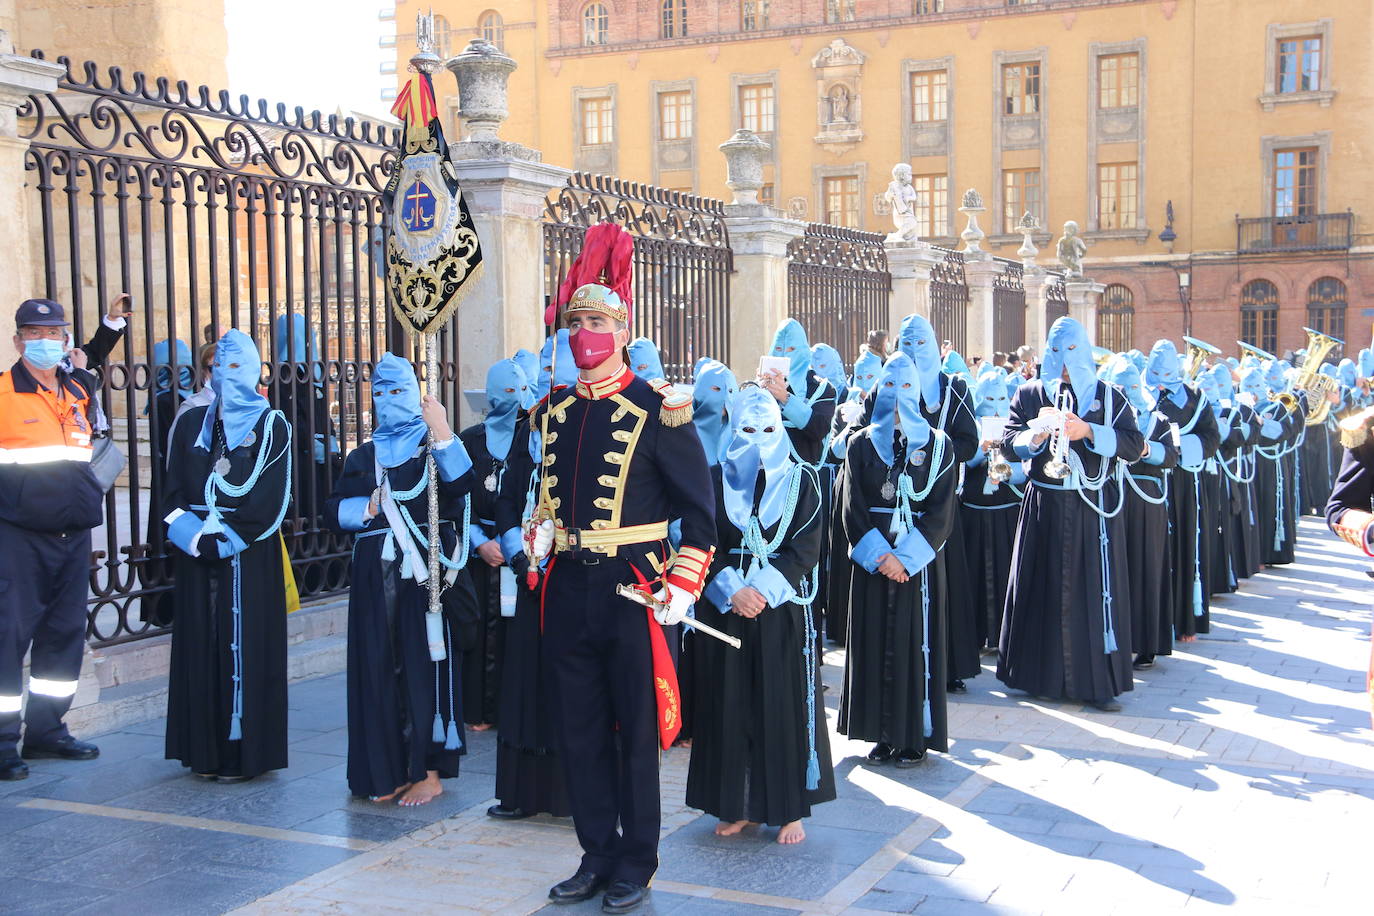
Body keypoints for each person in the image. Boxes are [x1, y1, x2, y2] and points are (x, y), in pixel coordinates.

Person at [527, 260, 716, 913]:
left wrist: (684, 584)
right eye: (576, 322)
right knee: (578, 730)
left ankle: (636, 858)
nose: (586, 333)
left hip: (634, 587)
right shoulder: (552, 412)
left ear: (623, 327)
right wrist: (540, 534)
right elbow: (547, 501)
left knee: (635, 731)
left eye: (598, 321)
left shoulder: (659, 408)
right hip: (569, 588)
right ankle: (594, 853)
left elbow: (702, 517)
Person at [326, 354, 477, 805]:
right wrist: (366, 508)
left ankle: (429, 772)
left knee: (422, 666)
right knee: (376, 669)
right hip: (375, 578)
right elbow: (333, 510)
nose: (388, 400)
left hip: (423, 576)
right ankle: (385, 768)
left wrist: (444, 429)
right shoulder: (363, 455)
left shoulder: (434, 446)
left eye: (398, 390)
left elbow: (463, 486)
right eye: (380, 392)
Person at [687, 384, 835, 844]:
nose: (757, 438)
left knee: (780, 703)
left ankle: (789, 808)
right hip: (727, 610)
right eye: (747, 428)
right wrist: (732, 591)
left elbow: (806, 547)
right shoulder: (713, 480)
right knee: (729, 705)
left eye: (768, 428)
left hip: (781, 608)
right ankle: (738, 805)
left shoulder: (802, 479)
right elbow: (700, 539)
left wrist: (763, 591)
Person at [163, 330, 292, 782]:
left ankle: (243, 754)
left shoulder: (273, 427)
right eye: (219, 368)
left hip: (248, 558)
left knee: (245, 651)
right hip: (198, 554)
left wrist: (229, 538)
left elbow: (271, 499)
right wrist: (194, 538)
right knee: (202, 647)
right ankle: (204, 751)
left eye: (236, 368)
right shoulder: (192, 425)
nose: (226, 377)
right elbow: (173, 492)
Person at [998, 317, 1142, 712]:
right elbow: (1010, 444)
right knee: (1038, 586)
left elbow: (1133, 445)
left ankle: (1097, 683)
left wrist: (1089, 433)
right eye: (1057, 353)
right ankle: (1034, 676)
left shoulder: (1110, 397)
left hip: (1091, 509)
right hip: (1043, 505)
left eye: (1072, 353)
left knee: (1094, 592)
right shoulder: (1029, 393)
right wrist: (1035, 435)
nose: (1063, 364)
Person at [0, 299, 112, 781]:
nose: (44, 340)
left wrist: (109, 330)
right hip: (18, 536)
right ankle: (4, 741)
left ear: (66, 341)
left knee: (64, 635)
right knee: (8, 639)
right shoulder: (3, 394)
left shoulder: (76, 392)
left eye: (53, 332)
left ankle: (47, 730)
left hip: (74, 535)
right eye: (33, 332)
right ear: (18, 340)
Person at [838, 353, 959, 766]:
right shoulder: (859, 443)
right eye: (888, 386)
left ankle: (913, 737)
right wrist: (879, 556)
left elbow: (942, 512)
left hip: (917, 568)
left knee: (914, 646)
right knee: (873, 643)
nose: (896, 396)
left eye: (906, 387)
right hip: (874, 564)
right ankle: (880, 733)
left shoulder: (940, 447)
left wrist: (905, 559)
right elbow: (850, 507)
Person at [892, 315, 980, 692]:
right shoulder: (888, 383)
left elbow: (969, 442)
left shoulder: (955, 389)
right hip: (894, 502)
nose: (914, 354)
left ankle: (948, 665)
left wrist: (934, 451)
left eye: (922, 345)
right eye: (906, 345)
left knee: (944, 583)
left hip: (940, 502)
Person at [457, 359, 535, 732]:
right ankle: (478, 709)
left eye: (517, 392)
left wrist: (514, 542)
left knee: (515, 631)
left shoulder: (531, 439)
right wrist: (478, 543)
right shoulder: (469, 441)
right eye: (503, 392)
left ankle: (511, 708)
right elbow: (455, 499)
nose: (512, 402)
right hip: (479, 552)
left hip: (521, 550)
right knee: (479, 630)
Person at [1101, 355, 1177, 671]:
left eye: (1133, 386)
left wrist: (1145, 449)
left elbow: (1172, 457)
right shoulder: (1103, 416)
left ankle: (1147, 642)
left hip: (1147, 504)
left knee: (1145, 568)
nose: (1129, 392)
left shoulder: (1158, 420)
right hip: (1110, 498)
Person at [1144, 341, 1220, 640]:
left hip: (1183, 482)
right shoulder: (1136, 392)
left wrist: (1177, 450)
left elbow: (1211, 437)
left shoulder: (1196, 398)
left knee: (1184, 546)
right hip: (1146, 480)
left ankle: (1184, 620)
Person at [959, 369, 1026, 652]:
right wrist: (980, 449)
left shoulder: (1016, 427)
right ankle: (973, 635)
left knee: (1006, 574)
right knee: (972, 576)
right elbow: (959, 462)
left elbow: (1027, 468)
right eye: (990, 398)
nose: (996, 404)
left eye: (1001, 398)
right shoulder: (969, 426)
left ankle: (1004, 634)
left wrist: (1007, 470)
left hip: (1006, 514)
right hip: (973, 514)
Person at [761, 319, 837, 465]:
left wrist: (786, 399)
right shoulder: (761, 386)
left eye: (791, 350)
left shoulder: (821, 388)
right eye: (778, 349)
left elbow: (819, 429)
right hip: (765, 474)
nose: (784, 355)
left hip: (803, 477)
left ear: (803, 351)